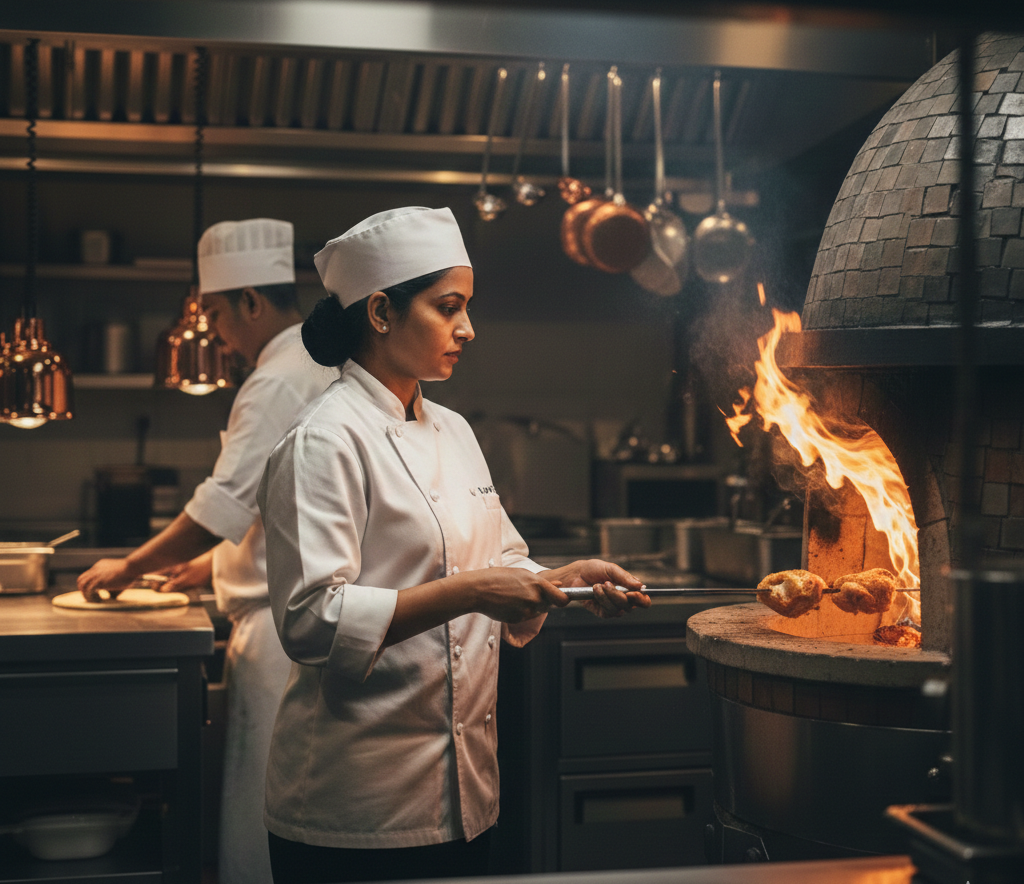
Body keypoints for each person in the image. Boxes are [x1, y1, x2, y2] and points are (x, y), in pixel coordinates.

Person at [257, 206, 651, 884]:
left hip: (465, 796)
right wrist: (470, 592)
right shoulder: (325, 439)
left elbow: (498, 562)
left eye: (466, 307)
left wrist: (562, 579)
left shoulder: (454, 429)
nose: (468, 328)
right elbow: (309, 620)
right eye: (449, 308)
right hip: (354, 812)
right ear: (381, 311)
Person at [77, 218, 335, 884]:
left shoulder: (277, 379)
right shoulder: (314, 365)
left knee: (262, 821)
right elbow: (275, 507)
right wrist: (198, 568)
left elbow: (223, 503)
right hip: (302, 625)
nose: (216, 337)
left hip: (282, 639)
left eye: (217, 315)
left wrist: (131, 564)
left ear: (252, 302)